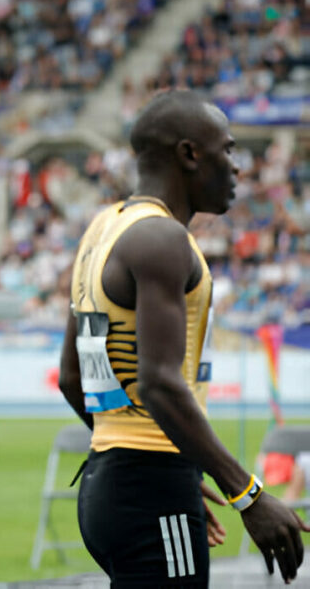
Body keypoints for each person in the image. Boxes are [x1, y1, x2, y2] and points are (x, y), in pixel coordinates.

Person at [59, 90, 310, 587]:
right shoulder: (163, 239)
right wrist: (249, 494)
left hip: (108, 482)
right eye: (228, 150)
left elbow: (73, 378)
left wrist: (175, 464)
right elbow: (159, 384)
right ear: (190, 154)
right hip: (150, 486)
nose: (238, 167)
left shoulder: (103, 229)